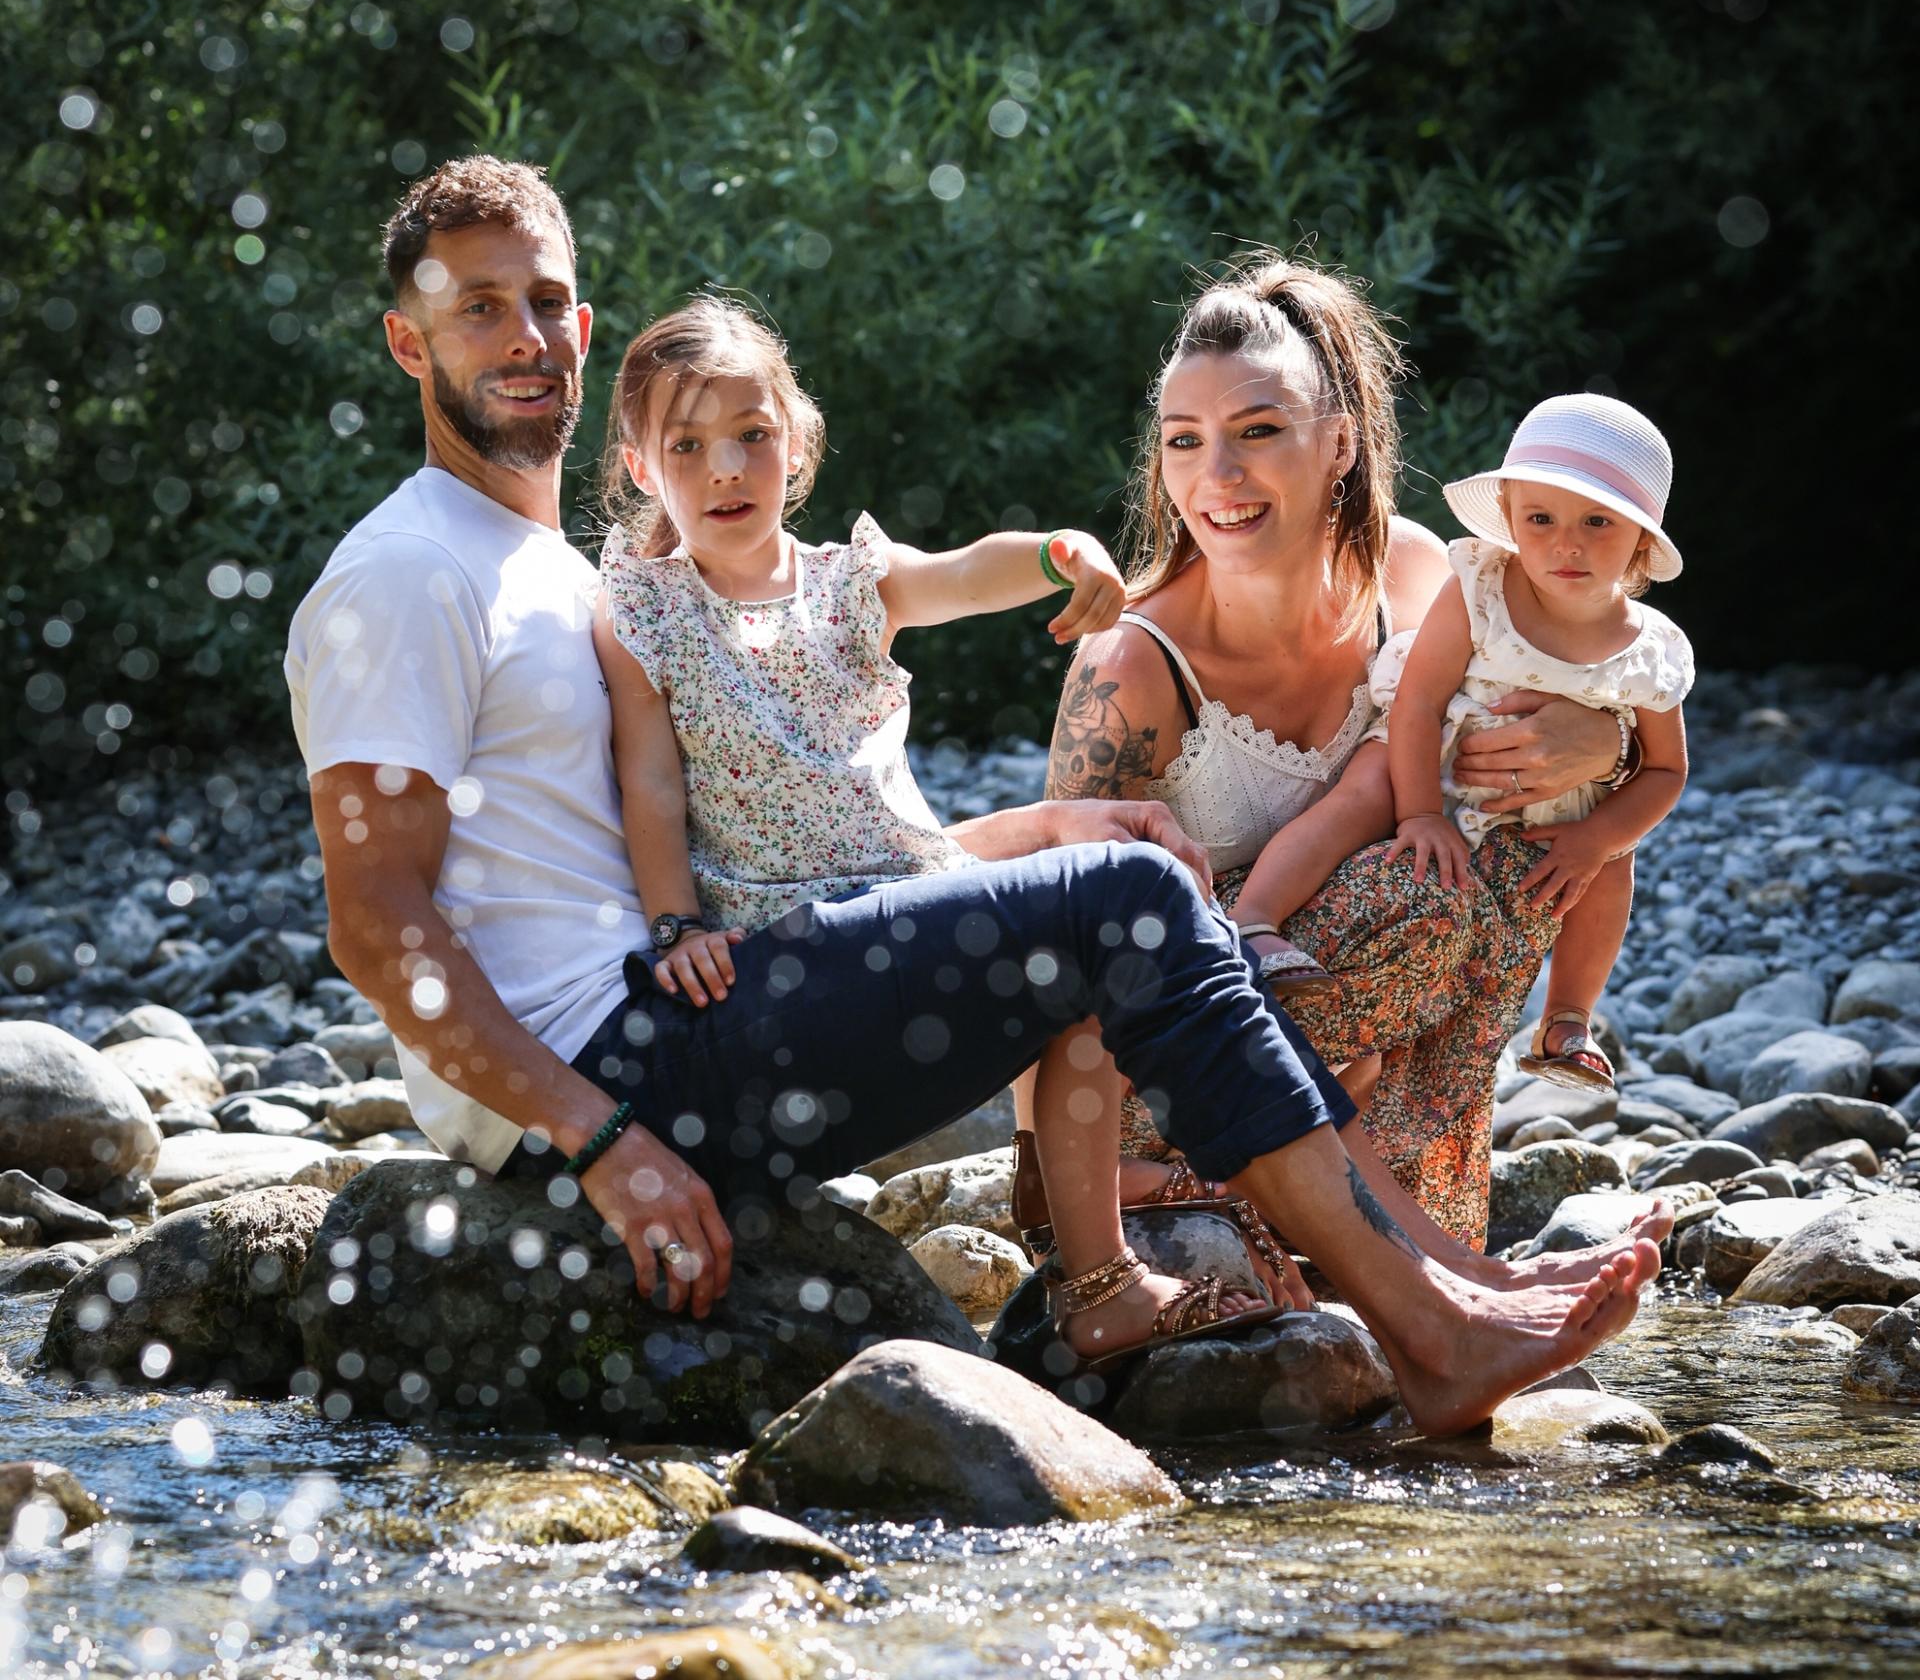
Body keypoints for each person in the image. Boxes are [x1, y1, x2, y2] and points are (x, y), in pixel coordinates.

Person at [286, 158, 1659, 1440]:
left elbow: (789, 836)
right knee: (1126, 906)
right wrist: (603, 1147)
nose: (524, 337)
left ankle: (1433, 1288)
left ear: (583, 324)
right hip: (620, 1075)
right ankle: (1426, 1327)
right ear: (411, 345)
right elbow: (376, 927)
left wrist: (1041, 833)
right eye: (478, 311)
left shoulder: (572, 575)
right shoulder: (407, 573)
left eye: (542, 302)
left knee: (1117, 884)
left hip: (709, 1003)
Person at [587, 291, 1274, 1359]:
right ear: (641, 467)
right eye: (689, 446)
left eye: (751, 437)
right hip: (800, 934)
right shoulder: (645, 612)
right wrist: (678, 925)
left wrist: (1063, 551)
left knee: (1110, 870)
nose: (726, 468)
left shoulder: (850, 583)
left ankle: (1101, 1220)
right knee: (1087, 922)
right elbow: (650, 785)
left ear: (797, 443)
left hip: (906, 879)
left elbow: (968, 570)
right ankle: (1110, 1264)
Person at [1038, 253, 1655, 1247]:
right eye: (1184, 442)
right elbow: (1049, 953)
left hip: (1400, 1050)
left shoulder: (1422, 575)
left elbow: (1593, 669)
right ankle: (1242, 1194)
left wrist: (1604, 746)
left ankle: (1401, 1207)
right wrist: (1073, 1212)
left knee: (1549, 839)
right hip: (1181, 1076)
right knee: (1421, 888)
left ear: (1341, 445)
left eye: (1259, 432)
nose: (1218, 477)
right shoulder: (1134, 668)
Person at [1371, 394, 1692, 1089]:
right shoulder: (1481, 588)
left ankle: (1566, 1021)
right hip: (1450, 790)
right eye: (1539, 519)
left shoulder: (1651, 649)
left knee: (1616, 862)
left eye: (1596, 522)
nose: (1564, 543)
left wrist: (1600, 836)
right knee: (1362, 794)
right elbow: (1419, 702)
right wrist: (1420, 812)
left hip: (1565, 822)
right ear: (1511, 518)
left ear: (1642, 537)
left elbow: (1666, 770)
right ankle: (1262, 920)